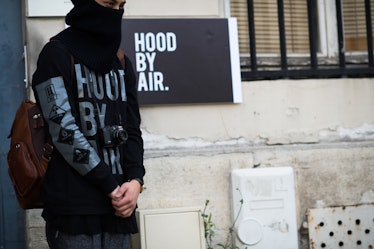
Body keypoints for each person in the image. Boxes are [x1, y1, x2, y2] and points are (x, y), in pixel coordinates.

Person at [31, 0, 145, 248]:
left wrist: (136, 181)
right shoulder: (55, 55)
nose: (115, 13)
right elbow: (64, 131)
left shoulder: (122, 63)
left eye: (120, 5)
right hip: (74, 209)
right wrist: (110, 186)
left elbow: (133, 128)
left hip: (118, 209)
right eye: (108, 3)